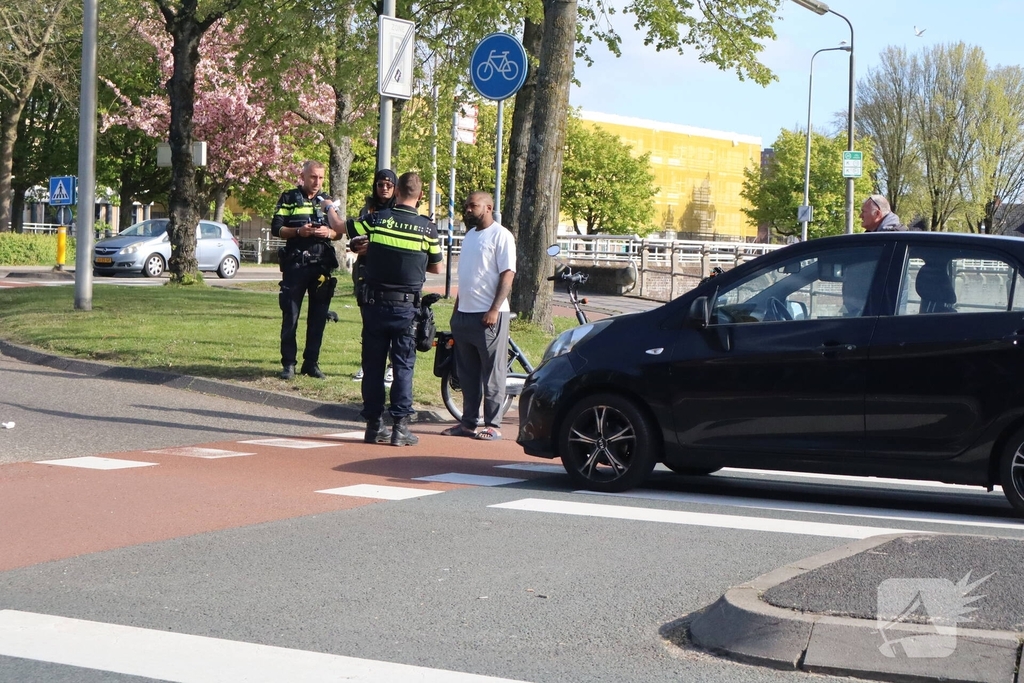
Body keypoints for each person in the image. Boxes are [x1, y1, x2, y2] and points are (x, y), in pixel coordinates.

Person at [334, 172, 443, 446]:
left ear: (396, 193)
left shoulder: (377, 220)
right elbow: (436, 266)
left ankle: (373, 426)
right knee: (403, 366)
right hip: (406, 308)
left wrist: (329, 209)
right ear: (420, 196)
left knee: (373, 366)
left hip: (374, 304)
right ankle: (400, 427)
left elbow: (339, 227)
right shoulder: (427, 228)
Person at [441, 191, 516, 442]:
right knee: (467, 374)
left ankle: (493, 424)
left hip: (489, 316)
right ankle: (468, 422)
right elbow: (468, 276)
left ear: (488, 208)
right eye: (467, 205)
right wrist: (456, 311)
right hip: (464, 315)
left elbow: (507, 274)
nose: (468, 209)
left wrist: (494, 308)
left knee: (492, 373)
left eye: (473, 205)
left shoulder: (501, 235)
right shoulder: (470, 237)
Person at [270, 160, 340, 380]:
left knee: (318, 317)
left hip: (321, 266)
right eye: (313, 177)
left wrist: (327, 234)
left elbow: (339, 231)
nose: (317, 182)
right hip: (296, 265)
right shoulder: (289, 197)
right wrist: (299, 231)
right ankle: (288, 364)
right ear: (303, 176)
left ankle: (311, 363)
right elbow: (276, 228)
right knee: (290, 315)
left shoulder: (327, 201)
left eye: (320, 178)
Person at [351, 170, 397, 383]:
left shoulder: (399, 209)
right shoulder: (367, 208)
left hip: (390, 274)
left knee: (391, 322)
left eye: (388, 184)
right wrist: (356, 245)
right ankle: (367, 365)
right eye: (380, 184)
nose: (384, 188)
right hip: (366, 271)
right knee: (368, 321)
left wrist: (376, 248)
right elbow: (355, 235)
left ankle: (391, 366)